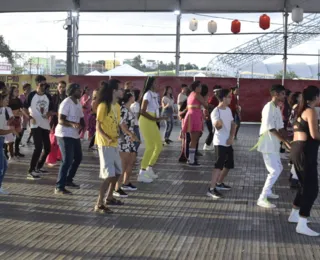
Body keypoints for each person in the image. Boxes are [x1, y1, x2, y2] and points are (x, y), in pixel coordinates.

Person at [288, 86, 320, 236]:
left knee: (304, 185)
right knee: (312, 188)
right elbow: (315, 135)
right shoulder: (311, 111)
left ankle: (295, 214)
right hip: (305, 152)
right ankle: (302, 223)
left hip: (298, 150)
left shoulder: (300, 110)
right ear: (316, 97)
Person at [254, 84, 291, 209]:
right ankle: (262, 198)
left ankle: (268, 192)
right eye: (282, 94)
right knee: (274, 170)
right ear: (275, 94)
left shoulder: (276, 107)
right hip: (267, 144)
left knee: (279, 168)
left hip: (274, 144)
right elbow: (271, 129)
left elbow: (280, 127)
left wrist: (288, 139)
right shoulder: (268, 107)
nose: (284, 96)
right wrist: (285, 142)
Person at [94, 79, 124, 214]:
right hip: (105, 144)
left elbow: (118, 124)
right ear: (114, 91)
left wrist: (124, 134)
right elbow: (98, 127)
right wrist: (107, 137)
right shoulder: (103, 106)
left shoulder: (116, 106)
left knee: (118, 172)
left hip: (114, 143)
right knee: (108, 174)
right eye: (120, 89)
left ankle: (110, 197)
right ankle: (99, 204)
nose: (122, 91)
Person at [54, 83, 84, 195]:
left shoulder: (78, 103)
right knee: (67, 160)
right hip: (64, 134)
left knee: (78, 157)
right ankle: (59, 186)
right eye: (78, 90)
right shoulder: (66, 102)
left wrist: (82, 125)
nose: (80, 92)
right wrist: (72, 124)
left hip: (74, 134)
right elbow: (61, 120)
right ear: (72, 91)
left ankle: (68, 180)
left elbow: (81, 118)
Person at [207, 88, 236, 199]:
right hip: (220, 142)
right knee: (218, 166)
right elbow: (217, 126)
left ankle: (219, 183)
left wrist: (231, 137)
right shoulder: (216, 111)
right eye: (229, 96)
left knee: (228, 164)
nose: (230, 98)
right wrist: (219, 124)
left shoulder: (228, 110)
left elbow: (233, 124)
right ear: (223, 98)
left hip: (228, 141)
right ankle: (211, 189)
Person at [25, 75, 54, 180]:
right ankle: (30, 171)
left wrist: (49, 113)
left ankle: (38, 167)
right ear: (37, 84)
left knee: (47, 148)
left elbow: (51, 109)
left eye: (45, 84)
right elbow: (23, 108)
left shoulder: (48, 96)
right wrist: (29, 117)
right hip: (35, 124)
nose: (44, 86)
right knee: (38, 147)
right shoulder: (31, 95)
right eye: (42, 84)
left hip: (45, 124)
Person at [138, 77, 165, 183]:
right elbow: (142, 111)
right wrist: (155, 119)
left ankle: (149, 168)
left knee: (158, 145)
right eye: (155, 82)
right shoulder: (147, 94)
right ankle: (142, 172)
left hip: (152, 120)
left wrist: (158, 118)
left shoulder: (155, 95)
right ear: (151, 84)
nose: (157, 84)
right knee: (150, 146)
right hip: (146, 120)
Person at [113, 91, 139, 198]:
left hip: (130, 138)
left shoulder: (129, 109)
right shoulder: (123, 109)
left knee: (131, 161)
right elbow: (122, 124)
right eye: (133, 95)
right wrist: (130, 134)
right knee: (123, 164)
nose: (135, 97)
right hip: (124, 139)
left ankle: (126, 182)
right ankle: (116, 188)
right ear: (130, 97)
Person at [182, 81, 208, 166]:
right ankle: (191, 160)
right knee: (194, 140)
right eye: (199, 87)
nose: (201, 88)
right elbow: (206, 105)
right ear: (195, 87)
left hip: (191, 116)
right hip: (195, 117)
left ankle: (191, 158)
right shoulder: (197, 94)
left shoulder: (191, 94)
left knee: (193, 139)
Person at [0, 82, 19, 195]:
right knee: (2, 166)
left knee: (4, 165)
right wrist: (11, 131)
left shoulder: (4, 110)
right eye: (5, 98)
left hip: (1, 139)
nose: (8, 101)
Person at [46, 81, 66, 166]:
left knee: (62, 141)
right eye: (60, 86)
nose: (61, 88)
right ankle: (51, 159)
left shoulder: (67, 98)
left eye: (63, 87)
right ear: (57, 87)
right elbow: (49, 111)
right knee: (53, 141)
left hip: (64, 123)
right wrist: (55, 113)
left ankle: (59, 156)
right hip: (54, 122)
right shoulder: (53, 98)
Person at [7, 86, 27, 160]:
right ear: (11, 91)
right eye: (15, 91)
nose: (17, 92)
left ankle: (17, 151)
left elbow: (21, 109)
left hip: (18, 120)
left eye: (17, 91)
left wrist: (26, 115)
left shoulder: (18, 100)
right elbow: (7, 111)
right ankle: (8, 153)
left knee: (19, 136)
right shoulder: (8, 99)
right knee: (10, 138)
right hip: (10, 120)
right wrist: (15, 113)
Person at [203, 85, 221, 151]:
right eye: (217, 91)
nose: (218, 93)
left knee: (214, 132)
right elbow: (209, 107)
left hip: (214, 118)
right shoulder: (213, 98)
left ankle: (213, 144)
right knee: (212, 132)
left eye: (219, 91)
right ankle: (206, 145)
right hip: (210, 118)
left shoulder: (218, 98)